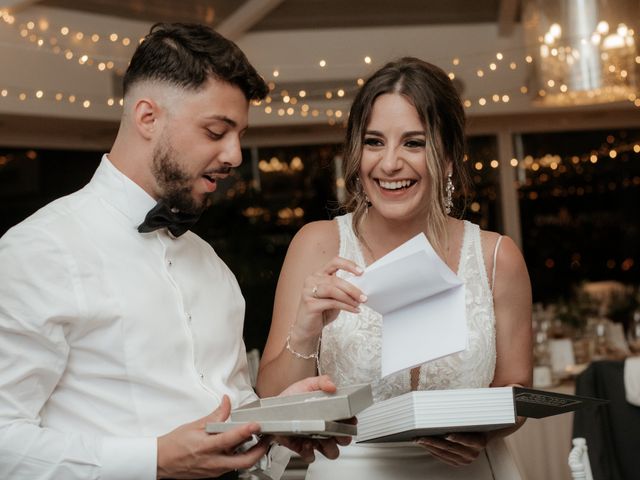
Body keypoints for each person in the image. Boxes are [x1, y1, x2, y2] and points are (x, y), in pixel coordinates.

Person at [0, 23, 349, 480]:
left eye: (239, 134)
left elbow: (230, 413)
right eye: (216, 131)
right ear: (148, 117)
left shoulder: (211, 266)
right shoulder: (38, 250)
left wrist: (272, 425)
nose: (235, 155)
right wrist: (154, 459)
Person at [256, 57, 533, 479]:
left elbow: (516, 389)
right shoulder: (317, 245)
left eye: (413, 143)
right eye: (373, 142)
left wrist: (485, 433)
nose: (389, 164)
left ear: (448, 159)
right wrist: (306, 328)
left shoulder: (498, 256)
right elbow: (274, 404)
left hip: (467, 471)